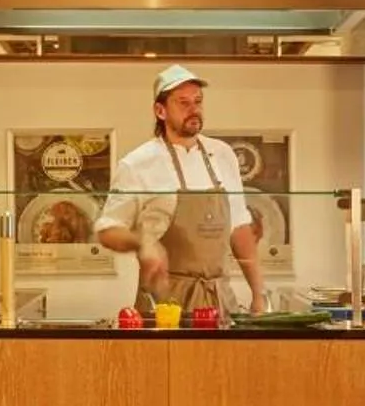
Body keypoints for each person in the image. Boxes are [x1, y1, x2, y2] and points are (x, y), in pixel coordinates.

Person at [97, 65, 269, 315]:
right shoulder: (137, 164)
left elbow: (240, 229)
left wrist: (258, 293)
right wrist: (142, 243)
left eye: (198, 101)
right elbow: (107, 230)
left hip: (219, 302)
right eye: (183, 102)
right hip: (164, 303)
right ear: (160, 110)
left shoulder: (223, 155)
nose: (194, 109)